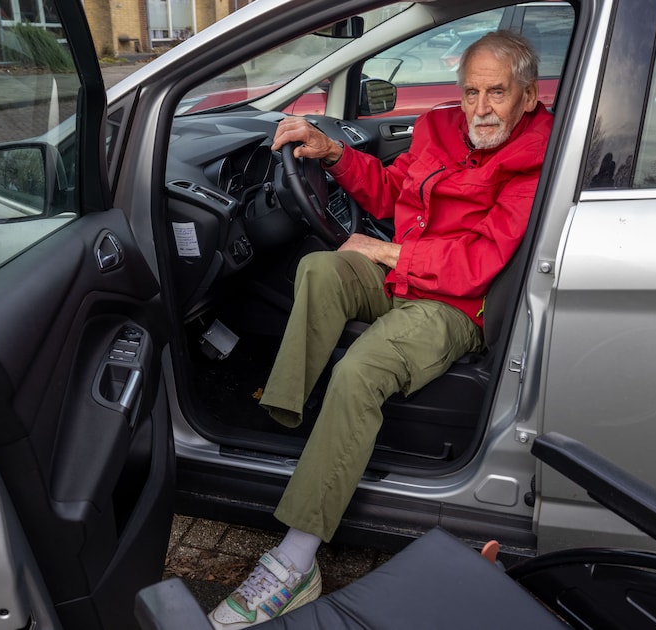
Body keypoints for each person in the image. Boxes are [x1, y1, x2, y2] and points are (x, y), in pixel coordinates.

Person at [208, 30, 553, 629]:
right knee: (321, 267)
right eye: (471, 91)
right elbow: (395, 192)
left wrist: (392, 256)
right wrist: (333, 153)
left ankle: (295, 561)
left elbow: (481, 263)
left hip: (456, 305)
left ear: (527, 95)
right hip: (405, 278)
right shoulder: (441, 128)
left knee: (359, 370)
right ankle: (286, 417)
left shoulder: (535, 160)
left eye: (497, 93)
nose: (480, 108)